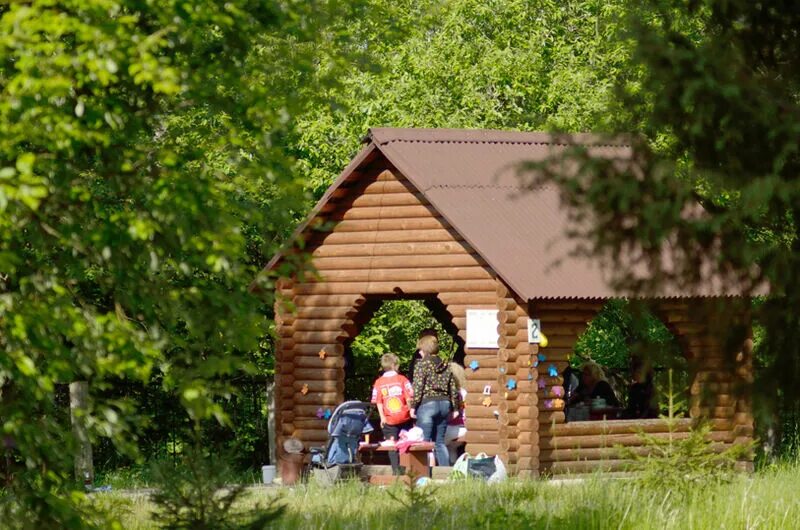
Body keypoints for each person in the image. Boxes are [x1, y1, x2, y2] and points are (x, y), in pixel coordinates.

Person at [409, 335, 461, 466]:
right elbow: (453, 388)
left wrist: (413, 406)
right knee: (439, 442)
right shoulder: (446, 365)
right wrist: (455, 408)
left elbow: (418, 386)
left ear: (425, 349)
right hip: (444, 404)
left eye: (420, 349)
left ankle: (424, 473)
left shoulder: (422, 364)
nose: (419, 352)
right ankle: (444, 474)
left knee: (424, 442)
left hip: (427, 404)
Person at [371, 353, 414, 475]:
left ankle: (396, 471)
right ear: (395, 365)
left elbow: (377, 402)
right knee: (406, 443)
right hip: (405, 417)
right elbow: (410, 397)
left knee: (392, 445)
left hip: (389, 420)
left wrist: (382, 417)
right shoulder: (402, 379)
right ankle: (407, 470)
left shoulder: (378, 382)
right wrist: (411, 411)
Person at [444, 362, 468, 464]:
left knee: (437, 442)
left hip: (452, 428)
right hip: (465, 428)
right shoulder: (465, 392)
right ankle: (453, 467)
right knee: (452, 448)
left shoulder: (449, 393)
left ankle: (441, 468)